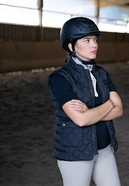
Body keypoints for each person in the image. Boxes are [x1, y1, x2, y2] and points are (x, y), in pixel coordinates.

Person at [48, 17, 123, 186]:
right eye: (87, 40)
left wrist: (92, 112)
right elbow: (81, 120)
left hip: (104, 147)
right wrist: (109, 104)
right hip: (75, 152)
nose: (94, 45)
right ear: (70, 46)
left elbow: (119, 109)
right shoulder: (60, 79)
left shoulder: (101, 73)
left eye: (95, 40)